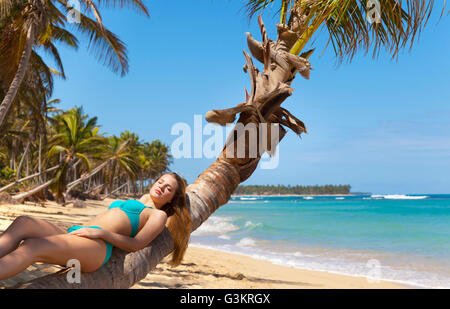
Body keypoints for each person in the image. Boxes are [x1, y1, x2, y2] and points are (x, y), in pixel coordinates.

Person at [0, 172, 191, 281]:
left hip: (97, 248)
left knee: (33, 246)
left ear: (172, 198)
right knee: (23, 222)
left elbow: (135, 244)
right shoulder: (138, 200)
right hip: (77, 234)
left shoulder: (158, 215)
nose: (162, 187)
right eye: (161, 181)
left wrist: (101, 233)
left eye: (169, 188)